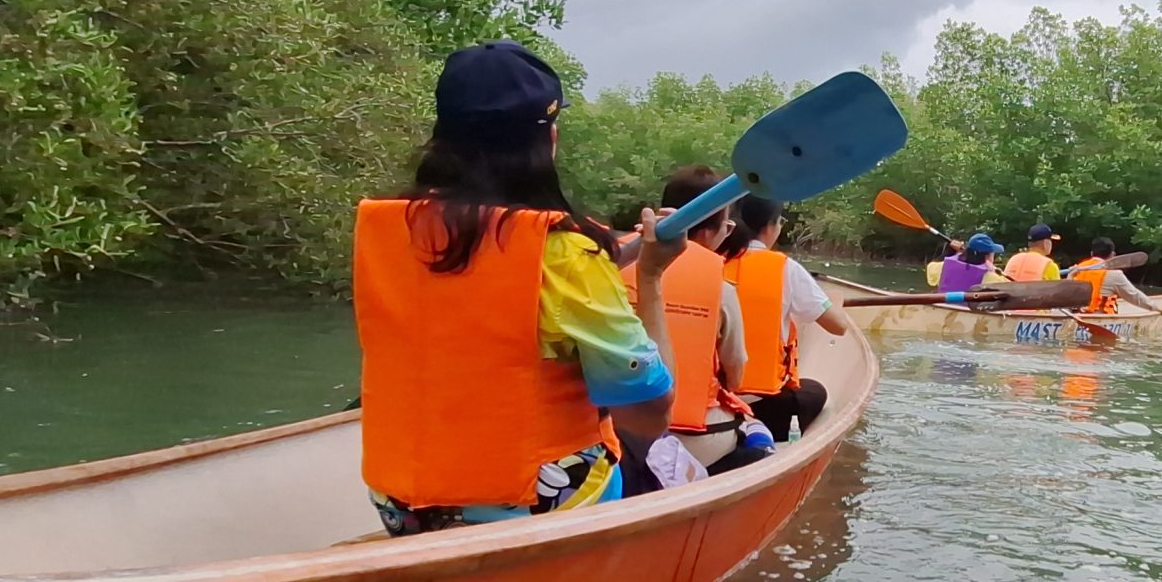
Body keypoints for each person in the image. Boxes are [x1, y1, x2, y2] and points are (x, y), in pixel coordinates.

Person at [353, 40, 680, 536]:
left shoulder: (390, 229)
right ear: (547, 139)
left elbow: (496, 266)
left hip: (403, 506)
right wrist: (651, 275)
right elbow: (648, 414)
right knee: (646, 452)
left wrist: (625, 251)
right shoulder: (563, 254)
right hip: (529, 510)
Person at [654, 165, 768, 476]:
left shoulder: (614, 262)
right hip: (691, 439)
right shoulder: (719, 285)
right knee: (760, 440)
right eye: (727, 226)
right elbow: (735, 370)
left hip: (613, 432)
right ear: (707, 231)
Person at [725, 194, 850, 436]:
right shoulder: (785, 269)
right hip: (762, 404)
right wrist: (835, 302)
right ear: (771, 226)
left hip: (711, 400)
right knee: (815, 391)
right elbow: (839, 326)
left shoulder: (710, 261)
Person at [1067, 237, 1162, 314]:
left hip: (1076, 313)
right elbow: (1134, 296)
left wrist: (1069, 276)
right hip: (1098, 318)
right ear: (1113, 254)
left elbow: (1066, 295)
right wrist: (1156, 308)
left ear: (1092, 253)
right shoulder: (1115, 275)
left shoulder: (1076, 269)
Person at [937, 233, 1003, 293]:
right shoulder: (992, 278)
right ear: (987, 256)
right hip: (968, 306)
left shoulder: (942, 267)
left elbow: (931, 265)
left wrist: (950, 252)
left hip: (943, 304)